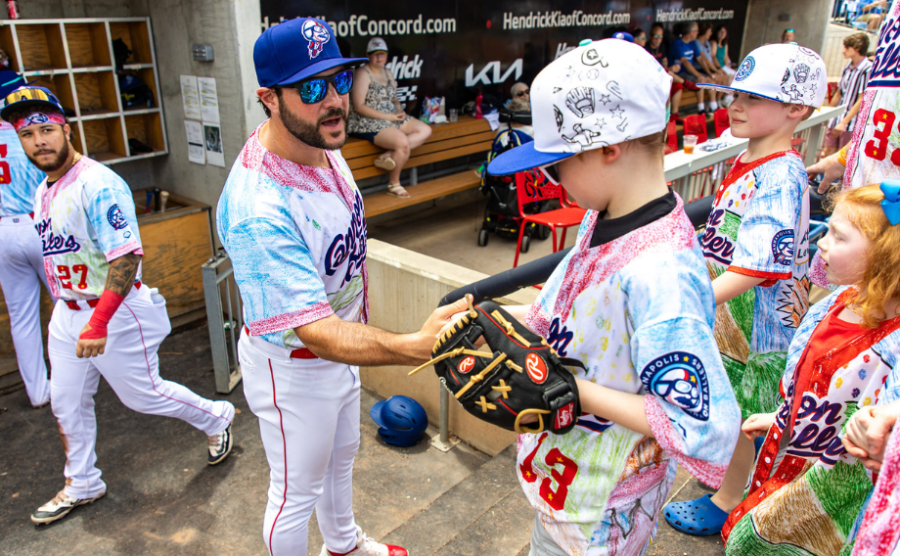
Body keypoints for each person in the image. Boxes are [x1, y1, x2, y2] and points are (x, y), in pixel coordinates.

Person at [218, 18, 468, 556]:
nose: (332, 100)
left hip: (340, 350)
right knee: (294, 492)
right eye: (311, 88)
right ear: (269, 97)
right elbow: (317, 333)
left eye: (337, 79)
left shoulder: (322, 139)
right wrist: (408, 346)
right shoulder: (256, 207)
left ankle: (344, 545)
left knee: (343, 456)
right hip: (296, 367)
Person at [483, 38, 741, 555]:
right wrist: (489, 317)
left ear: (607, 148)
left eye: (556, 164)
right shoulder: (603, 215)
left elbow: (701, 425)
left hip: (606, 510)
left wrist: (575, 393)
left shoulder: (661, 270)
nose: (548, 177)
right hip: (568, 479)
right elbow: (561, 313)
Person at [0, 86, 236, 525]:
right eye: (28, 135)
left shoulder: (97, 183)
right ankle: (82, 482)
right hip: (70, 313)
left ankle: (218, 416)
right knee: (66, 402)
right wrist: (68, 311)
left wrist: (98, 321)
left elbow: (126, 257)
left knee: (143, 395)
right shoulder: (43, 190)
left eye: (47, 130)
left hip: (115, 309)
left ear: (65, 129)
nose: (39, 142)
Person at [664, 43, 828, 535]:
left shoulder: (780, 175)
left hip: (756, 335)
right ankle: (738, 482)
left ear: (796, 109)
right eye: (734, 93)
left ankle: (730, 500)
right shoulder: (757, 160)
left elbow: (757, 268)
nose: (733, 105)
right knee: (735, 409)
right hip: (733, 322)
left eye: (752, 98)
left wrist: (691, 299)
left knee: (741, 413)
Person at [725, 183, 900, 555]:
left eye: (838, 235)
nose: (822, 241)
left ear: (888, 258)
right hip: (793, 457)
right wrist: (781, 416)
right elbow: (817, 383)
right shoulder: (838, 301)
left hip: (835, 487)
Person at [0, 70, 52, 408]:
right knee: (68, 304)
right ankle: (83, 374)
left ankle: (38, 392)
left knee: (22, 318)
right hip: (39, 223)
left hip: (3, 229)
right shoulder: (30, 134)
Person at [347, 37, 432, 199]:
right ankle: (394, 183)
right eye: (374, 54)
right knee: (403, 143)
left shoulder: (388, 72)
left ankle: (389, 154)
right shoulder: (362, 73)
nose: (379, 57)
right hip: (368, 121)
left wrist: (400, 111)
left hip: (391, 117)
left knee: (425, 130)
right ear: (367, 55)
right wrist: (388, 116)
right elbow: (359, 106)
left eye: (382, 54)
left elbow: (394, 99)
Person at [824, 33, 872, 158]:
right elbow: (839, 93)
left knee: (842, 158)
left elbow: (862, 99)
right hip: (837, 119)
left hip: (851, 122)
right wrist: (827, 113)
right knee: (828, 152)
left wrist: (845, 122)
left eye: (846, 47)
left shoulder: (867, 69)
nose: (843, 51)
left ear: (856, 48)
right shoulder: (847, 68)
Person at [645, 22, 691, 123]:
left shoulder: (662, 47)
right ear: (650, 36)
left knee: (677, 85)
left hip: (661, 78)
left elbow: (664, 66)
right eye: (655, 36)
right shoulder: (646, 49)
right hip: (650, 81)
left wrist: (672, 68)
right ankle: (686, 82)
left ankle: (674, 114)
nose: (658, 39)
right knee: (668, 76)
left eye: (660, 37)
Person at [670, 21, 713, 113]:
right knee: (700, 80)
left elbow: (700, 59)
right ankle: (701, 109)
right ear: (690, 32)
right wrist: (698, 75)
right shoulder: (678, 43)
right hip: (679, 73)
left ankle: (713, 106)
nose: (698, 33)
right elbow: (685, 62)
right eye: (696, 31)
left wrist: (710, 74)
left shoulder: (692, 43)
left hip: (689, 72)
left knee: (710, 80)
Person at [695, 22, 731, 107]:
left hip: (709, 68)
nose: (711, 33)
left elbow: (711, 58)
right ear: (704, 32)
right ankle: (711, 104)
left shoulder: (707, 42)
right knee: (715, 79)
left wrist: (717, 70)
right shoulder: (697, 42)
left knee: (723, 76)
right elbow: (704, 60)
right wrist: (713, 72)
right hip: (701, 69)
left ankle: (718, 100)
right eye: (709, 31)